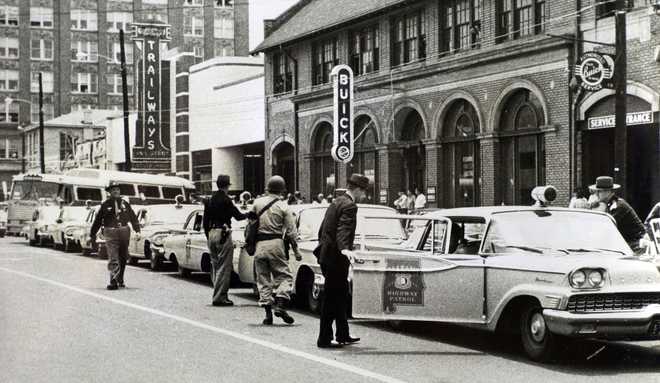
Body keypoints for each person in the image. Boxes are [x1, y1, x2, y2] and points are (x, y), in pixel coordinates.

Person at [315, 174, 369, 348]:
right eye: (364, 192)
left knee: (340, 295)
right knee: (333, 297)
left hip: (327, 255)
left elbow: (323, 229)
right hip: (337, 258)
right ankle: (324, 338)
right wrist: (345, 248)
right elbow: (343, 228)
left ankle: (342, 334)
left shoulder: (336, 201)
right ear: (358, 189)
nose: (364, 196)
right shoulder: (350, 206)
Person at [252, 176, 301, 325]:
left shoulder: (257, 203)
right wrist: (296, 250)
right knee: (284, 276)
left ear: (267, 188)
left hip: (260, 244)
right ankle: (280, 304)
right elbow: (291, 232)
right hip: (276, 243)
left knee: (263, 279)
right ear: (282, 191)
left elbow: (250, 225)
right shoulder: (284, 206)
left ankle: (268, 314)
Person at [203, 175, 248, 306]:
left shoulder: (210, 200)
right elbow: (238, 216)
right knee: (224, 266)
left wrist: (209, 235)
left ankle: (218, 293)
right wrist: (249, 214)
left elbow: (205, 221)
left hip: (211, 233)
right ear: (227, 186)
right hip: (223, 232)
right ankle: (220, 297)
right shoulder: (226, 199)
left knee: (216, 266)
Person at [90, 181, 140, 290]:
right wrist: (92, 234)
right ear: (109, 192)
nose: (116, 191)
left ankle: (120, 278)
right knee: (113, 256)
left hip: (124, 231)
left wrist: (137, 230)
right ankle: (113, 280)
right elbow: (98, 220)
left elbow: (133, 217)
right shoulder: (105, 205)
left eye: (117, 189)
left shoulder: (125, 203)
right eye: (113, 190)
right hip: (111, 231)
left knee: (123, 256)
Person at [590, 176, 646, 254]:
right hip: (627, 244)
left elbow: (606, 227)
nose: (596, 194)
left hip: (636, 245)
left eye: (599, 191)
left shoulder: (618, 205)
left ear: (608, 192)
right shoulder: (610, 204)